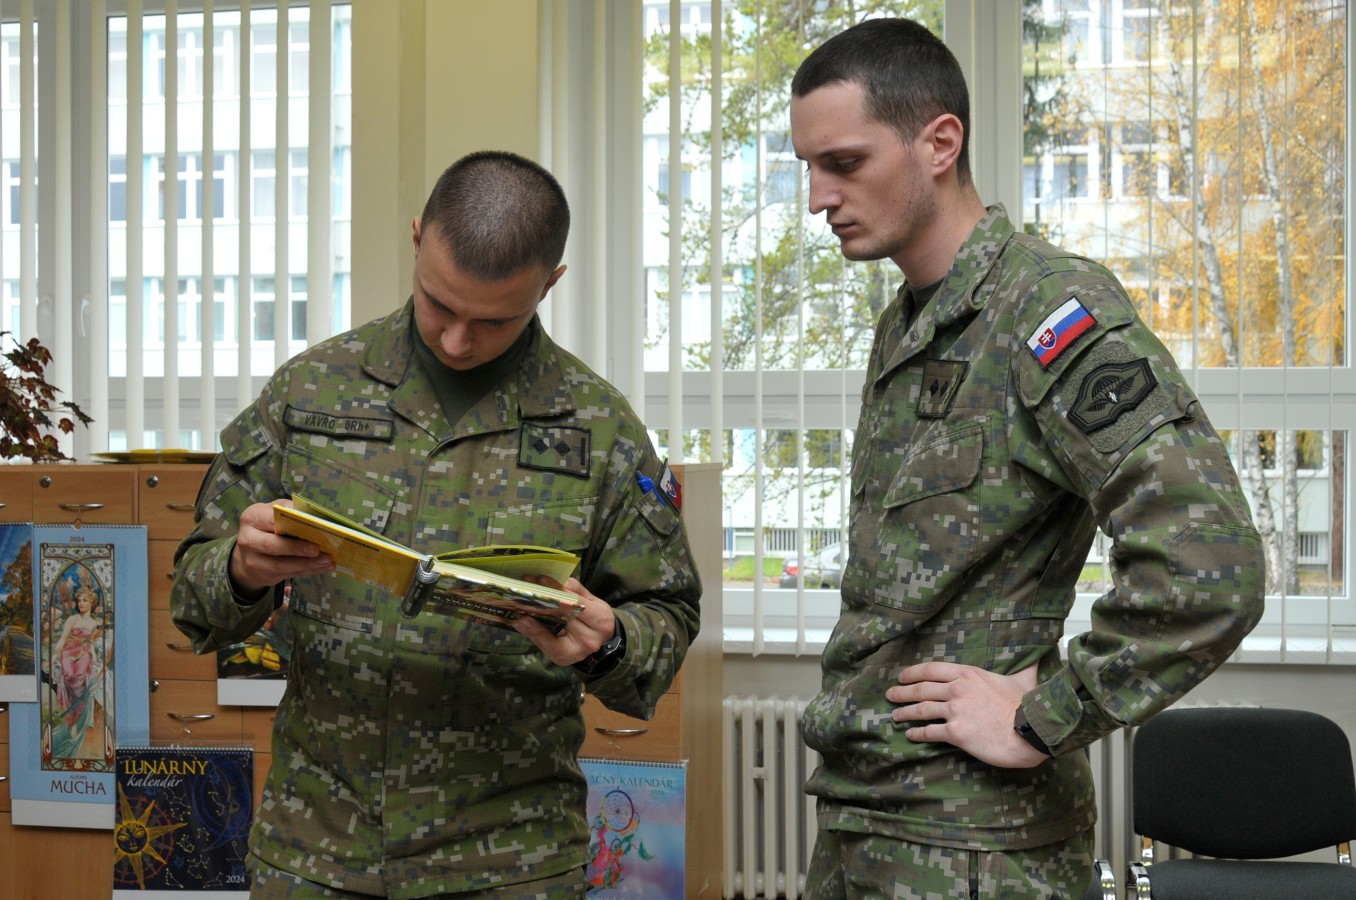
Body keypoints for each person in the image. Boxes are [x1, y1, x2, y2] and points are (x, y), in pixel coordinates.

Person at [788, 18, 1264, 899]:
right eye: (807, 167)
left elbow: (1210, 565)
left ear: (939, 143)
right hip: (865, 814)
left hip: (975, 847)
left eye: (844, 163)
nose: (817, 197)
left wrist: (1046, 714)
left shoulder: (1046, 310)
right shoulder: (908, 323)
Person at [171, 150, 702, 899]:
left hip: (509, 862)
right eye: (438, 304)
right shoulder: (311, 391)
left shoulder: (600, 428)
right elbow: (192, 597)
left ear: (550, 283)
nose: (456, 340)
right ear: (417, 238)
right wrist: (239, 570)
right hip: (317, 851)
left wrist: (610, 640)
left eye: (493, 320)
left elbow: (666, 622)